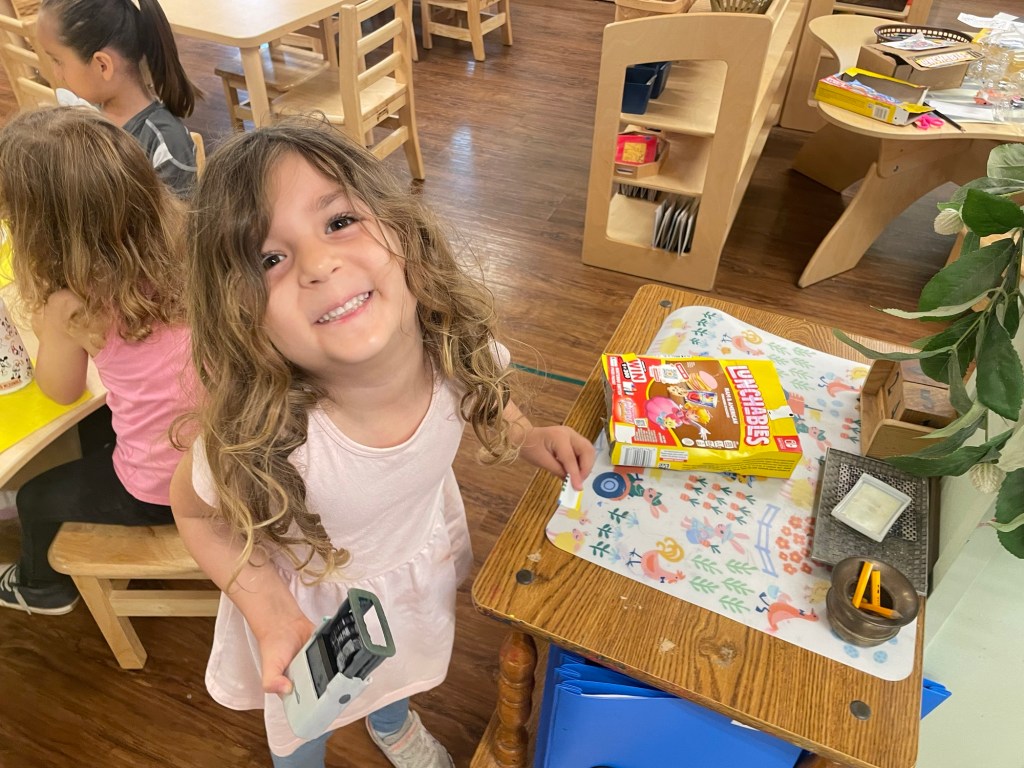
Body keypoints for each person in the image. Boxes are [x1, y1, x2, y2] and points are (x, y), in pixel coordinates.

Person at [170, 117, 595, 768]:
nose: (318, 264)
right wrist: (270, 612)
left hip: (412, 569)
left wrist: (528, 435)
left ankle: (392, 724)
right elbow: (196, 512)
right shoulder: (269, 436)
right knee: (304, 727)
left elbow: (484, 391)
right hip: (308, 615)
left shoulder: (450, 344)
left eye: (339, 221)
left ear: (405, 233)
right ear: (240, 319)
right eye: (269, 259)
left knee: (397, 672)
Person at [0, 107, 194, 615]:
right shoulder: (192, 245)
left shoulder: (73, 302)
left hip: (168, 490)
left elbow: (60, 391)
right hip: (238, 453)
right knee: (96, 427)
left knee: (34, 498)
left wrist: (49, 321)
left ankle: (41, 588)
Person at [35, 0, 200, 196]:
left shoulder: (166, 143)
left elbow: (179, 215)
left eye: (58, 61)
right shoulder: (83, 115)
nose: (56, 73)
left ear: (102, 65)